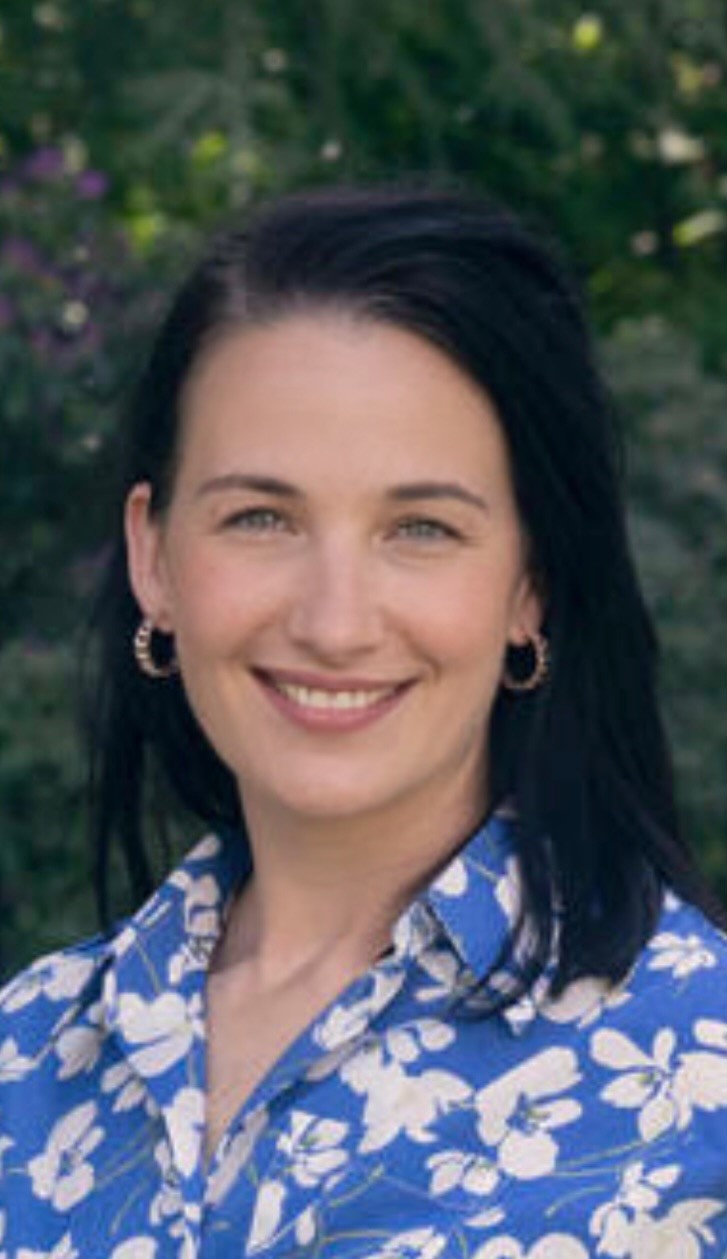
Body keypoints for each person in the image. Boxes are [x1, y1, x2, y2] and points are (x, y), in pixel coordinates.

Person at [1, 185, 726, 1259]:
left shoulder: (699, 1084)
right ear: (153, 557)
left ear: (531, 582)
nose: (333, 622)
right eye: (261, 516)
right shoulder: (27, 1052)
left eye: (421, 527)